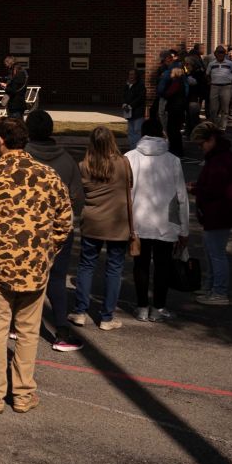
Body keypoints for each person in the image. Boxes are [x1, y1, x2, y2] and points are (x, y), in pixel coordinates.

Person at [0, 117, 71, 415]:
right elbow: (64, 221)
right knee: (27, 332)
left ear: (0, 141)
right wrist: (47, 253)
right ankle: (23, 394)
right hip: (35, 268)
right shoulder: (48, 176)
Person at [25, 110, 85, 352]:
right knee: (57, 280)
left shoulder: (24, 158)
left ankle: (21, 325)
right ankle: (61, 329)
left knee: (28, 278)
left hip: (27, 229)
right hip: (58, 228)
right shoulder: (67, 160)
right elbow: (77, 197)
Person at [127, 118, 190, 321]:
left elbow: (124, 193)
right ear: (161, 133)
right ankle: (159, 307)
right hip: (166, 222)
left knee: (141, 264)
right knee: (163, 266)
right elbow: (182, 197)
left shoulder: (129, 157)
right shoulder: (173, 160)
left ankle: (141, 306)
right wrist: (184, 229)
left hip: (138, 220)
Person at [71, 126, 133, 331]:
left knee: (87, 265)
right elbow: (130, 185)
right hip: (118, 222)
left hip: (93, 220)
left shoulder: (84, 166)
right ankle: (107, 316)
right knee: (114, 269)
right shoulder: (123, 163)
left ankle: (80, 311)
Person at [189, 123, 232, 304]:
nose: (200, 147)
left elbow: (215, 189)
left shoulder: (220, 160)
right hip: (217, 212)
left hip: (219, 212)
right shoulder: (219, 157)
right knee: (211, 252)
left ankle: (219, 291)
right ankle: (211, 287)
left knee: (216, 254)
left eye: (201, 143)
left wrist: (196, 190)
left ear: (211, 140)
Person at [204, 46, 232, 130]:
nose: (220, 54)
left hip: (226, 87)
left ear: (225, 54)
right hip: (214, 87)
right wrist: (209, 82)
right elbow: (207, 74)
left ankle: (222, 126)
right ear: (215, 54)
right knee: (213, 108)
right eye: (219, 52)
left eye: (222, 52)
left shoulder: (230, 63)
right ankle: (214, 125)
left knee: (225, 108)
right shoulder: (212, 63)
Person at [124, 68, 147, 146]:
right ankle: (132, 149)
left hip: (138, 113)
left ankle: (137, 149)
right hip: (129, 113)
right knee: (130, 132)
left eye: (133, 74)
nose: (131, 76)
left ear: (136, 76)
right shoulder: (127, 85)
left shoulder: (140, 85)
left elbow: (140, 98)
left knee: (137, 131)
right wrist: (124, 103)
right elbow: (124, 96)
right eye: (130, 74)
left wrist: (131, 105)